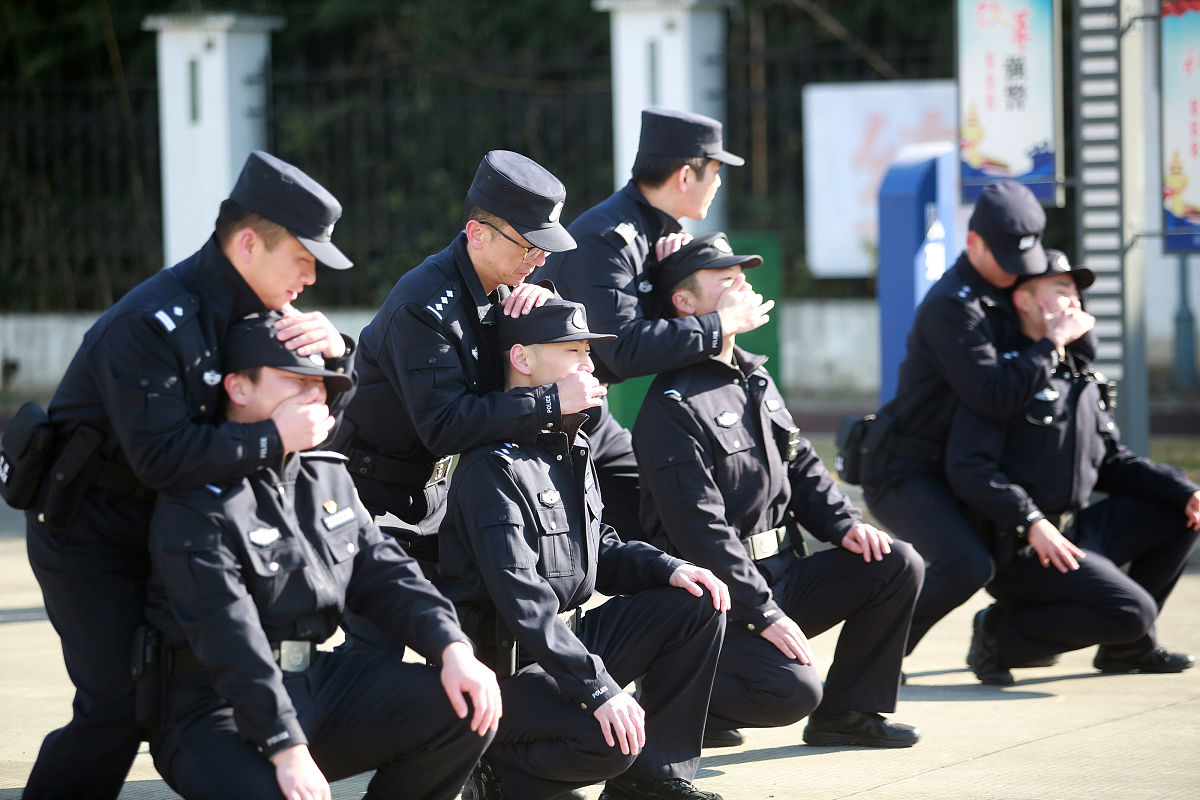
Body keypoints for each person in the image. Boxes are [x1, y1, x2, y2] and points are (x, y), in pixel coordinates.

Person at [21, 151, 355, 800]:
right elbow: (161, 457)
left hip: (176, 532)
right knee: (117, 705)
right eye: (303, 258)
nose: (311, 277)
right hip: (89, 539)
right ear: (251, 244)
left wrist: (339, 355)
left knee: (198, 689)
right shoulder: (151, 322)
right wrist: (270, 436)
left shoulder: (261, 312)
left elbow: (319, 419)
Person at [144, 311, 501, 800]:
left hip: (312, 681)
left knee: (465, 707)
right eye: (295, 382)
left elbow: (385, 574)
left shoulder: (325, 474)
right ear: (237, 388)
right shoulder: (198, 495)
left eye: (322, 385)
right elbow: (229, 638)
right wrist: (286, 747)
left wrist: (452, 648)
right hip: (216, 705)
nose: (315, 397)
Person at [634, 233, 924, 750]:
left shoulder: (753, 375)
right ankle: (668, 695)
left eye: (742, 276)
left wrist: (844, 524)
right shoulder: (673, 405)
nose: (742, 285)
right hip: (716, 599)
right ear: (685, 303)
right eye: (725, 280)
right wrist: (763, 612)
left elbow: (802, 463)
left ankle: (849, 715)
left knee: (895, 563)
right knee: (788, 692)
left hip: (784, 571)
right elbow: (702, 533)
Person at [438, 296, 731, 800]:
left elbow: (598, 547)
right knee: (611, 737)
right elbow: (525, 605)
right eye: (573, 352)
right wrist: (601, 690)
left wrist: (668, 568)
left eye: (589, 353)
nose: (589, 367)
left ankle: (651, 782)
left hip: (562, 652)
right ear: (523, 360)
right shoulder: (492, 467)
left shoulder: (570, 444)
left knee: (697, 602)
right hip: (505, 676)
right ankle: (497, 771)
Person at [862, 180, 1096, 658]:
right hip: (908, 468)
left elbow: (1081, 367)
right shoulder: (953, 306)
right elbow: (992, 394)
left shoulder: (1014, 287)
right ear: (974, 244)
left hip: (963, 465)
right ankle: (869, 661)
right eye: (1009, 262)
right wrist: (1050, 343)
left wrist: (1064, 332)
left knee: (1008, 555)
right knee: (965, 564)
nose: (1018, 275)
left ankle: (1014, 636)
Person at [945, 251, 1199, 685]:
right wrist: (1030, 521)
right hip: (1022, 546)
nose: (1073, 299)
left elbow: (1112, 462)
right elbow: (969, 467)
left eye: (1075, 290)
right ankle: (998, 635)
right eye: (1060, 289)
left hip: (1076, 530)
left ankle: (1126, 648)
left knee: (1182, 514)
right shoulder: (1005, 375)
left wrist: (1184, 490)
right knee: (1129, 610)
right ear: (1024, 301)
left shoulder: (1077, 374)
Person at [339, 150, 597, 564]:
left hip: (437, 495)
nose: (541, 259)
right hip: (375, 497)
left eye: (544, 248)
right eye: (529, 247)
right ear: (477, 234)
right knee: (388, 626)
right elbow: (445, 426)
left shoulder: (505, 288)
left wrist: (545, 305)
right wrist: (549, 402)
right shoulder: (424, 306)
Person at [538, 108, 773, 550]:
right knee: (578, 557)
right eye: (715, 172)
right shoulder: (606, 238)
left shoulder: (652, 234)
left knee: (664, 526)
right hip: (543, 417)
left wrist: (669, 288)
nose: (719, 183)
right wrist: (722, 323)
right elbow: (621, 349)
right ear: (686, 176)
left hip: (589, 410)